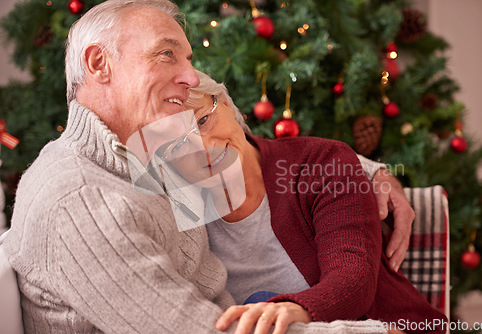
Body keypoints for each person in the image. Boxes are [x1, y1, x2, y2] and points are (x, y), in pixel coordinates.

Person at [1, 0, 413, 333]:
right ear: (98, 64)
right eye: (166, 54)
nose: (191, 77)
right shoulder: (89, 194)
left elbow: (297, 164)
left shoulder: (140, 164)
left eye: (188, 60)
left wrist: (371, 170)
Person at [146, 70, 447, 334]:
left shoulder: (321, 162)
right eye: (180, 144)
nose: (206, 148)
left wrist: (291, 309)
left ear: (225, 104)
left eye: (203, 120)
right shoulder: (174, 209)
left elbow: (353, 278)